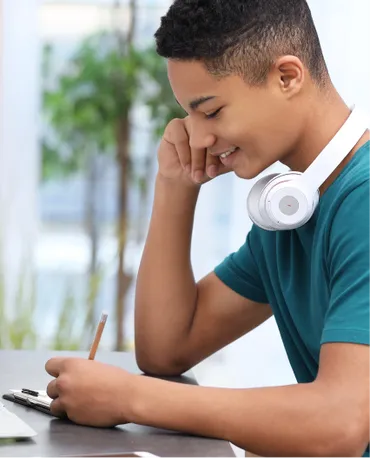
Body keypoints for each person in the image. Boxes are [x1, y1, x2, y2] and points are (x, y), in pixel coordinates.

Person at [45, 1, 370, 457]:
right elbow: (166, 348)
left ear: (287, 77)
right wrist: (175, 186)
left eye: (211, 112)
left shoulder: (363, 200)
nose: (196, 137)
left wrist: (131, 399)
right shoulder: (293, 209)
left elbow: (341, 423)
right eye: (188, 115)